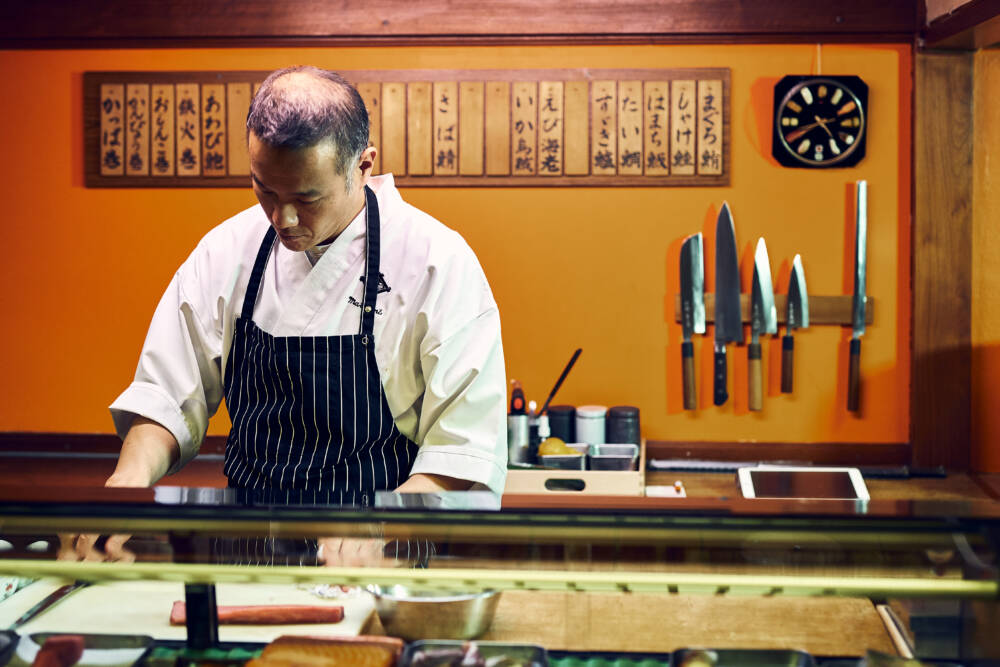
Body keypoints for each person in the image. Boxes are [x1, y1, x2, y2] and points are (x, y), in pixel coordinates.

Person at [62, 66, 507, 561]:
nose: (283, 219)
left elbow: (463, 443)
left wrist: (383, 524)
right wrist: (126, 485)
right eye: (265, 191)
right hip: (243, 551)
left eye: (305, 198)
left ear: (363, 166)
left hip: (376, 556)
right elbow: (167, 395)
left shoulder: (436, 261)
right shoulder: (226, 250)